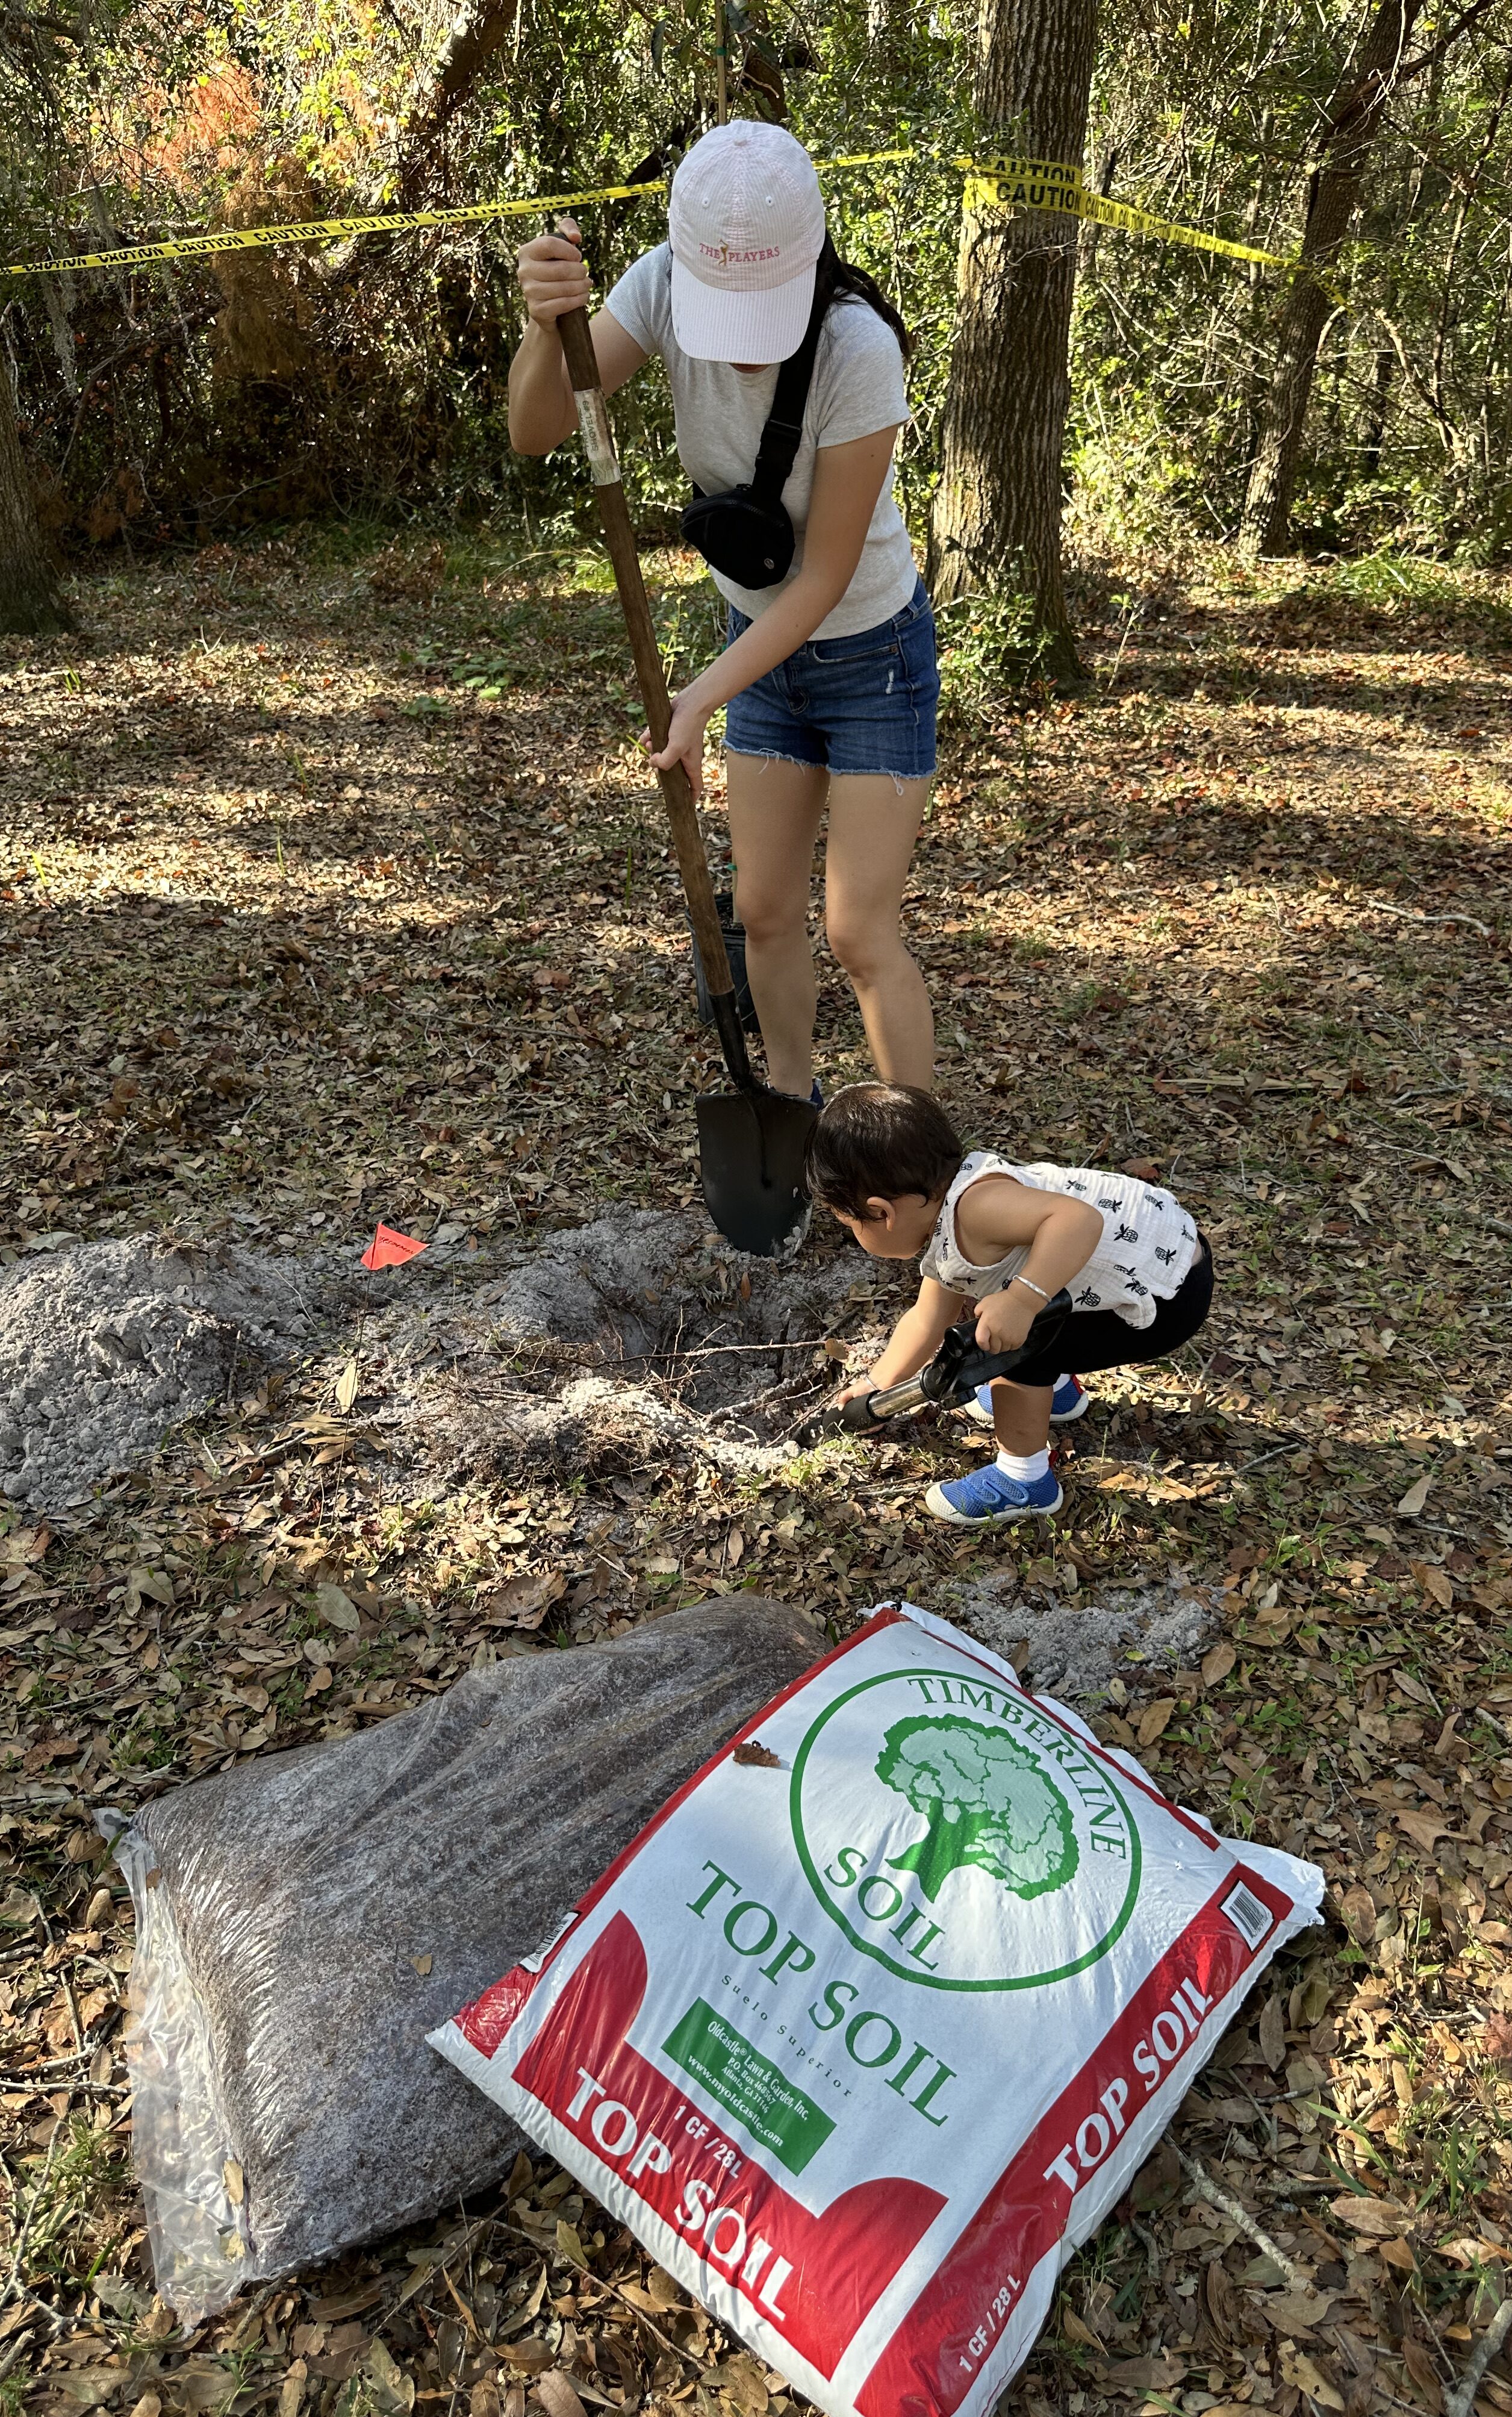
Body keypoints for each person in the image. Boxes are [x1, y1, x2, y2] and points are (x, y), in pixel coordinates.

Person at [508, 120, 938, 1102]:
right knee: (764, 910)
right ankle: (788, 1109)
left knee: (858, 933)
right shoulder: (662, 284)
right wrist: (544, 327)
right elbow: (535, 429)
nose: (742, 350)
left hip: (872, 655)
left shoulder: (858, 349)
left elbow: (823, 579)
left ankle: (920, 1159)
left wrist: (697, 697)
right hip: (761, 651)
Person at [809, 1084, 1215, 1527]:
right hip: (1162, 1262)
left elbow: (1078, 1220)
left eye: (849, 1224)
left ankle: (1025, 1479)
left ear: (881, 1213)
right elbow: (928, 1318)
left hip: (1166, 1297)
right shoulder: (950, 1212)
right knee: (1026, 1321)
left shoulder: (978, 1209)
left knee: (1011, 1347)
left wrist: (1022, 1300)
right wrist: (878, 1384)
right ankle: (1057, 1394)